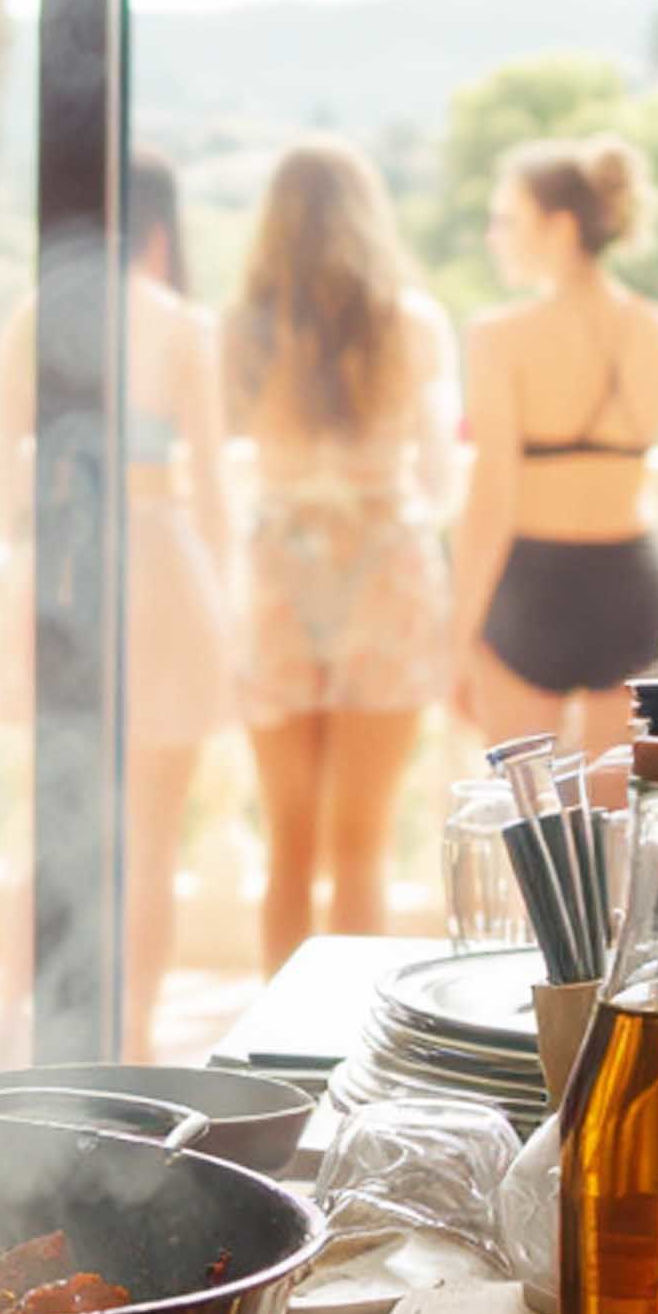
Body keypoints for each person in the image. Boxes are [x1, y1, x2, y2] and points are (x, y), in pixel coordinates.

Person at [0, 152, 235, 1049]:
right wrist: (229, 609)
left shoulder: (32, 318)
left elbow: (5, 482)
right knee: (153, 839)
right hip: (162, 565)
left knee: (53, 822)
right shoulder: (180, 324)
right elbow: (212, 492)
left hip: (62, 567)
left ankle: (10, 1028)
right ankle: (135, 1039)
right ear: (157, 231)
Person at [225, 141, 460, 966]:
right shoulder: (411, 324)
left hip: (280, 568)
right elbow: (440, 478)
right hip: (383, 565)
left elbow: (221, 450)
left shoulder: (244, 329)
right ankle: (350, 1034)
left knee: (287, 847)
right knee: (362, 844)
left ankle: (278, 1033)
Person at [452, 134, 658, 772]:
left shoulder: (497, 338)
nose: (494, 237)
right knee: (619, 820)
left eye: (506, 220)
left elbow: (490, 500)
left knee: (529, 817)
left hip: (529, 590)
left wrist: (454, 637)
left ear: (560, 226)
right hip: (631, 585)